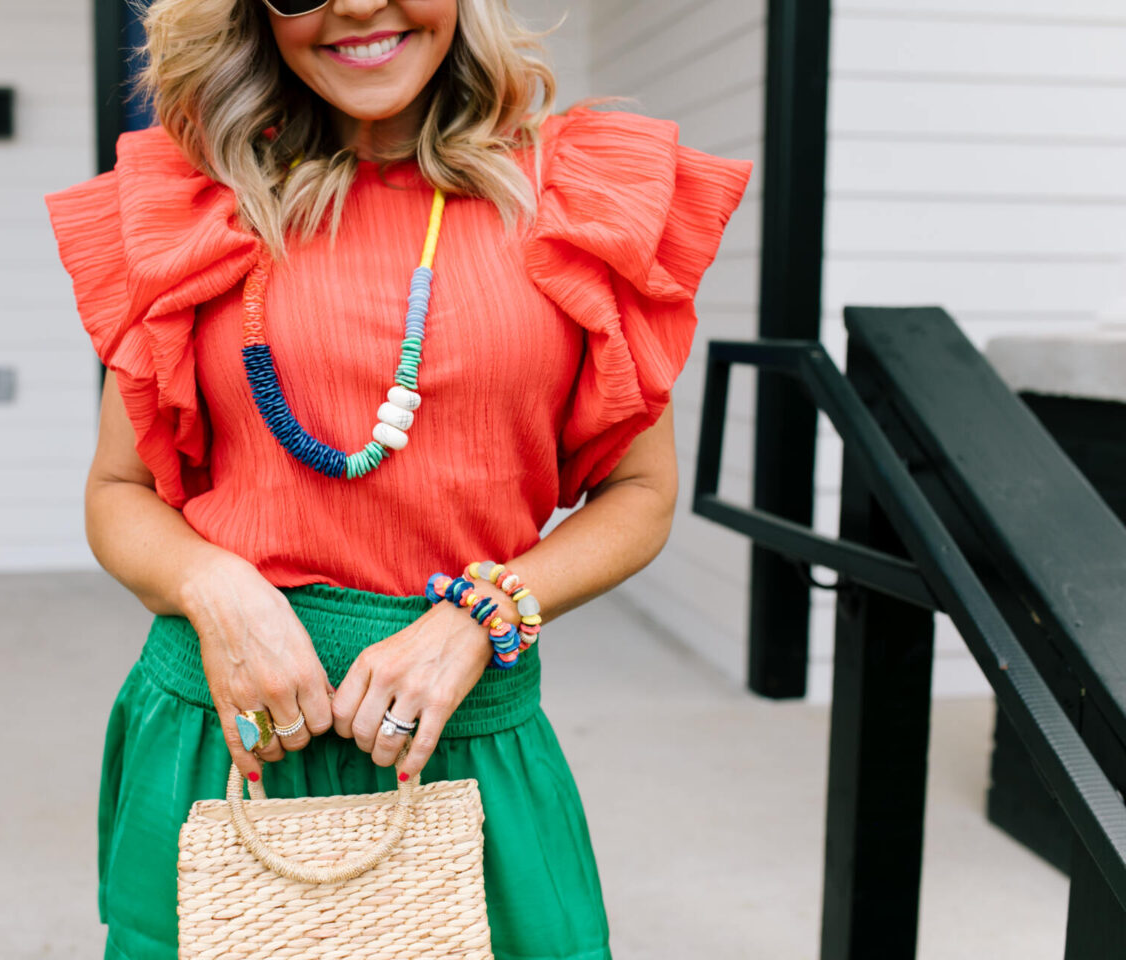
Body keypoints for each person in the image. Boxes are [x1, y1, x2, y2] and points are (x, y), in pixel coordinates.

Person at [46, 1, 750, 957]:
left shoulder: (574, 195)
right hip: (225, 733)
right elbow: (117, 491)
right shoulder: (200, 200)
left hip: (462, 733)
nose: (358, 4)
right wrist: (213, 590)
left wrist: (482, 618)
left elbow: (640, 494)